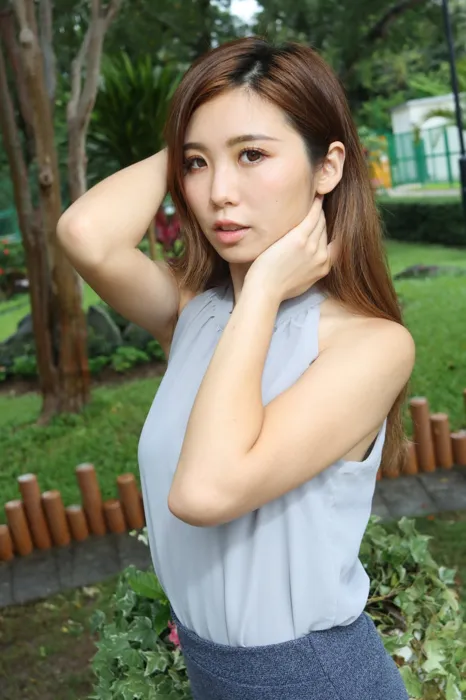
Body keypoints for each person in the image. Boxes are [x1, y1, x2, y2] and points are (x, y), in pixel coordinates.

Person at [58, 37, 414, 700]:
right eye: (197, 164)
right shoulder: (195, 312)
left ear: (328, 166)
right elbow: (85, 234)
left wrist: (266, 287)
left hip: (316, 679)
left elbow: (205, 493)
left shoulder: (371, 346)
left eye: (252, 155)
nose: (219, 192)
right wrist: (196, 133)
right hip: (213, 673)